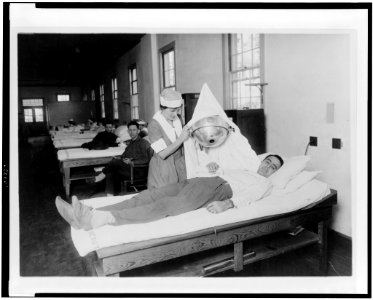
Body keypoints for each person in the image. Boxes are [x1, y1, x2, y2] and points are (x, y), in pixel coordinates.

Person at [55, 154, 284, 230]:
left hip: (218, 189)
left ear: (275, 173)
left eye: (273, 167)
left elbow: (249, 197)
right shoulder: (246, 168)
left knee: (165, 207)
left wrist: (228, 204)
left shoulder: (265, 184)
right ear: (262, 160)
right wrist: (216, 167)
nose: (268, 167)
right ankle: (87, 211)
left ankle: (100, 219)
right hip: (202, 180)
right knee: (147, 195)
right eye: (268, 161)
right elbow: (222, 171)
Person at [90, 121, 153, 196]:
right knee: (111, 171)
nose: (131, 132)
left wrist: (131, 162)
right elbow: (124, 155)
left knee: (114, 162)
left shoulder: (143, 143)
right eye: (130, 130)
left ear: (138, 131)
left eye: (134, 130)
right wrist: (119, 157)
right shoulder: (131, 143)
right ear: (128, 131)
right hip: (128, 169)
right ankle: (110, 196)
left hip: (137, 171)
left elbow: (146, 160)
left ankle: (100, 176)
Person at [147, 89, 190, 189]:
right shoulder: (154, 124)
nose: (175, 114)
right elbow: (162, 154)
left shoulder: (178, 119)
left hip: (180, 165)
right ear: (162, 108)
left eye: (178, 110)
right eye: (172, 111)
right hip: (163, 168)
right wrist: (181, 138)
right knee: (165, 198)